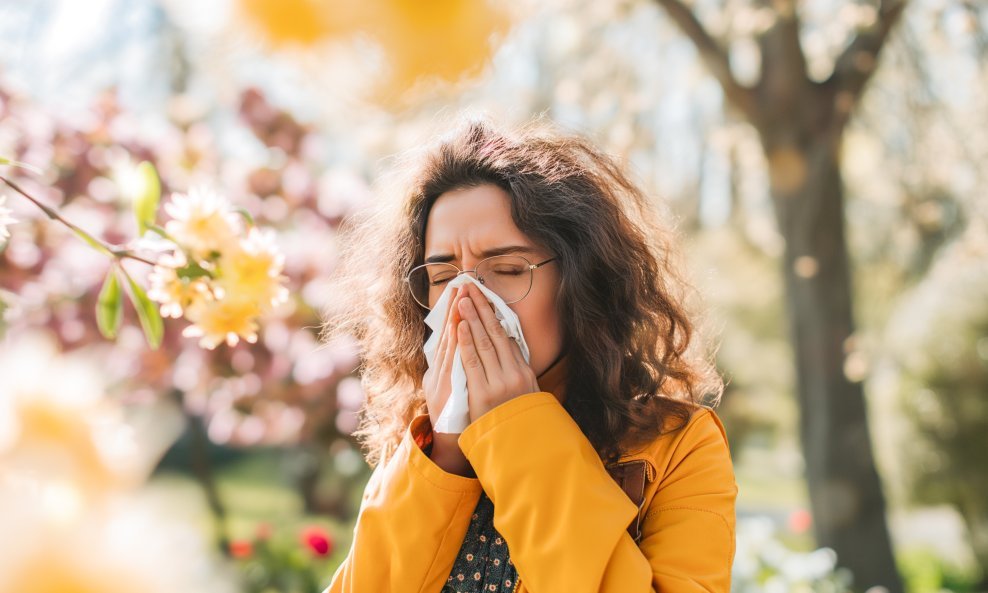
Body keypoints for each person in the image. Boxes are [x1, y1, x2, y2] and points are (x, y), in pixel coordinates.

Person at [320, 115, 737, 593]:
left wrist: (516, 427)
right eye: (441, 278)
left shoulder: (680, 448)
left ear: (579, 284)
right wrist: (446, 455)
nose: (467, 300)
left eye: (508, 269)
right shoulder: (421, 442)